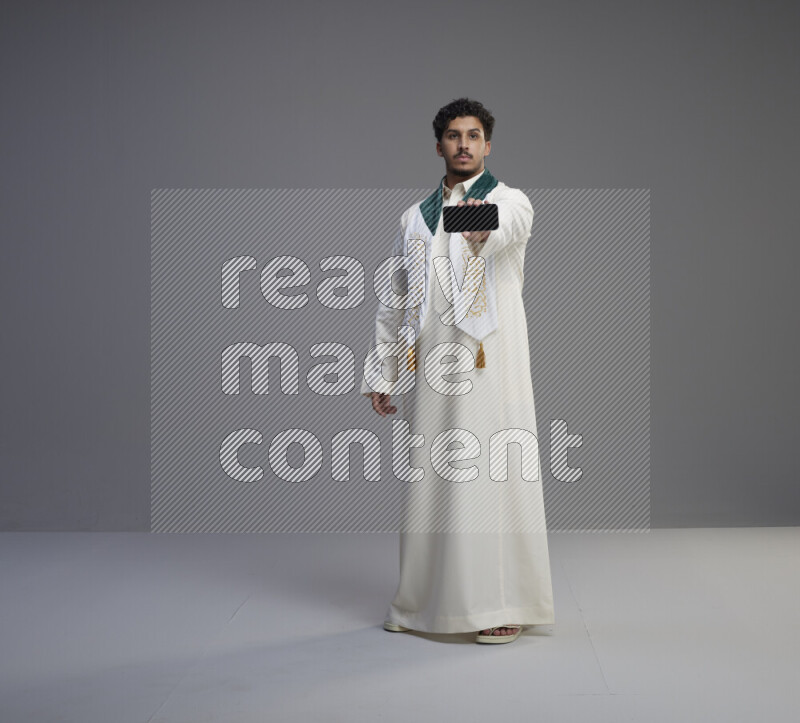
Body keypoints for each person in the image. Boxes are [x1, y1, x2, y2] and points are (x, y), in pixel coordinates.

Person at [361, 98, 555, 644]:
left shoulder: (510, 200)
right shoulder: (411, 217)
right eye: (453, 135)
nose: (464, 144)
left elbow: (502, 228)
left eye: (474, 136)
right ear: (439, 144)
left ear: (487, 145)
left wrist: (471, 224)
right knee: (433, 479)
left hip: (489, 357)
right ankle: (423, 602)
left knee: (493, 476)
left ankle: (500, 604)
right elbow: (396, 295)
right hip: (433, 363)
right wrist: (382, 370)